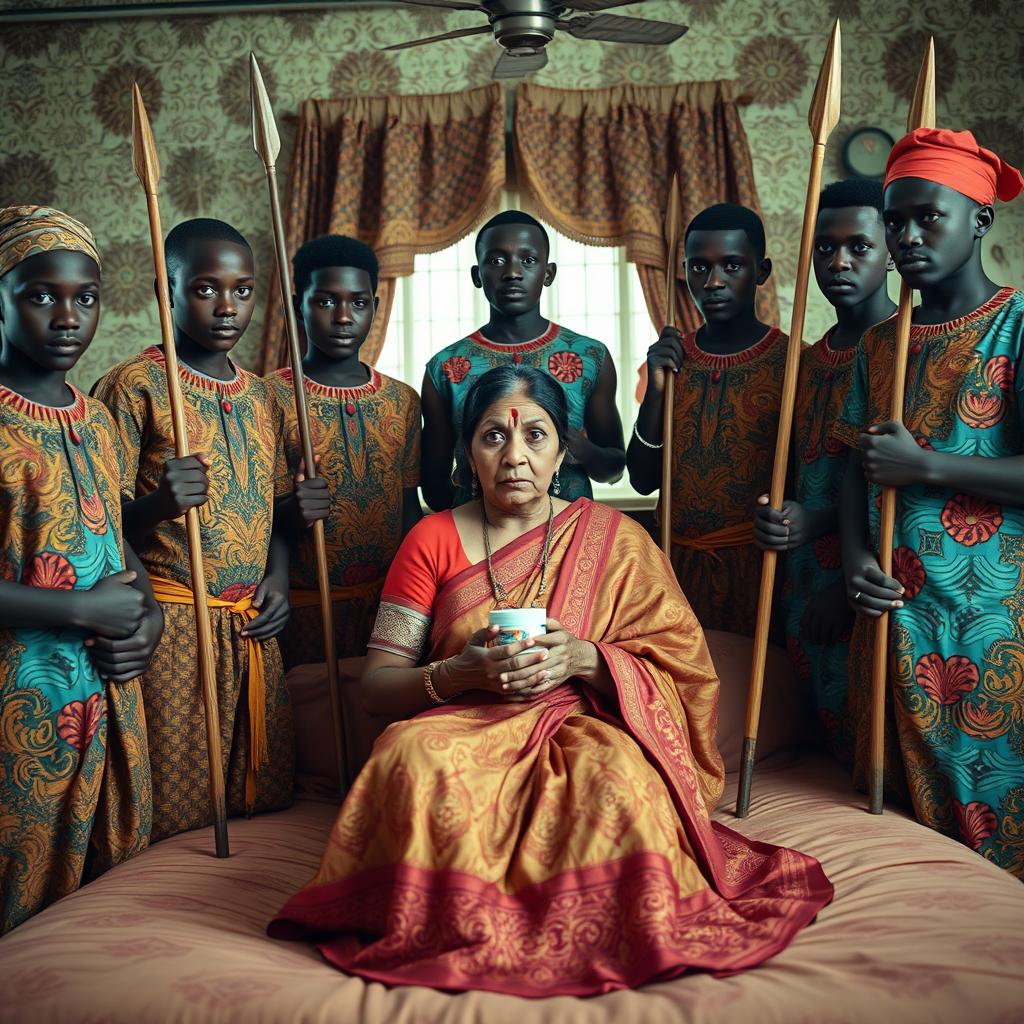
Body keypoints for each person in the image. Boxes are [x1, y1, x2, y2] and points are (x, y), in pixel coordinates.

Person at [268, 365, 832, 996]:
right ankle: (456, 918)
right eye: (492, 438)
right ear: (466, 454)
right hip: (460, 719)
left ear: (562, 449)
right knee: (408, 755)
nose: (515, 456)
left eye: (535, 436)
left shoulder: (616, 539)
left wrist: (587, 658)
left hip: (581, 721)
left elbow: (684, 664)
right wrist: (458, 674)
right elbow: (376, 686)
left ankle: (600, 923)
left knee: (617, 775)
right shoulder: (430, 539)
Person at [833, 128, 1024, 877]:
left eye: (928, 217)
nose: (907, 236)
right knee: (895, 842)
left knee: (988, 832)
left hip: (987, 628)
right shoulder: (882, 342)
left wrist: (929, 466)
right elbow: (856, 469)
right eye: (896, 220)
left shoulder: (1016, 326)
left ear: (979, 219)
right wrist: (852, 559)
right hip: (886, 618)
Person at [92, 218, 309, 841]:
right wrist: (158, 505)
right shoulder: (132, 388)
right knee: (176, 811)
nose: (227, 306)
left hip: (252, 624)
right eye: (206, 288)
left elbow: (274, 517)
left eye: (242, 290)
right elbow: (98, 527)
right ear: (168, 290)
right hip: (174, 625)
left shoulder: (263, 397)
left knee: (260, 803)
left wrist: (278, 580)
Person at [0, 206, 162, 932]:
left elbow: (116, 540)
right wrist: (78, 612)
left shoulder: (96, 418)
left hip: (108, 699)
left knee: (99, 912)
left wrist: (148, 618)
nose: (68, 316)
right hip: (19, 706)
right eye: (41, 295)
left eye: (85, 297)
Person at [753, 180, 896, 762]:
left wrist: (845, 578)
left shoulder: (903, 348)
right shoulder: (809, 360)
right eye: (824, 248)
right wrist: (784, 520)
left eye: (858, 246)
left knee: (878, 750)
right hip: (803, 581)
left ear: (890, 249)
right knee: (821, 757)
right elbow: (809, 472)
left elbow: (890, 485)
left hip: (870, 583)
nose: (838, 261)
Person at [627, 203, 787, 636]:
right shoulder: (668, 360)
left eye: (731, 265)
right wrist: (657, 394)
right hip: (674, 569)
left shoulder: (793, 362)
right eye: (699, 267)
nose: (713, 282)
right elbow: (642, 479)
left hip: (759, 570)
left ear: (761, 270)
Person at [267, 234, 421, 669]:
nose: (342, 317)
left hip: (388, 606)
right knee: (310, 724)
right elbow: (258, 513)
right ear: (298, 304)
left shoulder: (403, 400)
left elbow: (409, 509)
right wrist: (291, 511)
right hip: (302, 606)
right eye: (325, 302)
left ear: (374, 304)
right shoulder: (269, 396)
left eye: (358, 303)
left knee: (376, 722)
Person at [421, 211, 626, 509]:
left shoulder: (591, 357)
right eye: (496, 261)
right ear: (477, 275)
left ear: (548, 273)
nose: (512, 272)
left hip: (569, 541)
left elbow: (614, 469)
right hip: (477, 542)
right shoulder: (445, 368)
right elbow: (434, 485)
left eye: (528, 260)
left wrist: (579, 448)